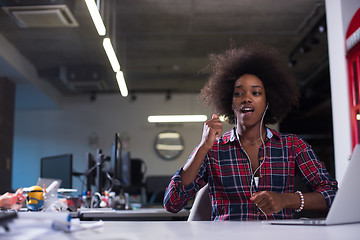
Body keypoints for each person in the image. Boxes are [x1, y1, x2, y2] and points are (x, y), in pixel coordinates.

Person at [163, 43, 338, 221]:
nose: (246, 98)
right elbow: (172, 203)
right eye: (238, 93)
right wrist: (203, 147)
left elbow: (332, 195)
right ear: (229, 102)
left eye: (256, 93)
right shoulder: (212, 150)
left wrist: (287, 199)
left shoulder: (293, 146)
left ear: (268, 101)